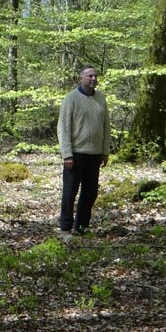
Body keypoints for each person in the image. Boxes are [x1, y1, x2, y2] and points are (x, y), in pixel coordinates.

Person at [58, 65, 110, 235]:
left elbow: (106, 126)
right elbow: (63, 128)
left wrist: (105, 151)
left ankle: (81, 227)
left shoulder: (101, 99)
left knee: (90, 192)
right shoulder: (71, 99)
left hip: (94, 154)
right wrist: (67, 154)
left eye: (95, 75)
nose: (93, 78)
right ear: (81, 78)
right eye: (90, 76)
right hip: (75, 154)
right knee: (70, 192)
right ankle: (65, 227)